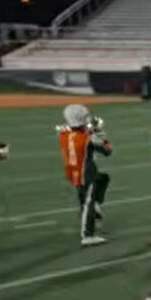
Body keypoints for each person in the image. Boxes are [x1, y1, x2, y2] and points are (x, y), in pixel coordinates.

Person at [57, 104, 112, 247]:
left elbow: (76, 133)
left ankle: (94, 208)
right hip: (86, 174)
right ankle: (87, 234)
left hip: (73, 172)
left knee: (103, 179)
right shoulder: (89, 138)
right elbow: (107, 150)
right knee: (88, 202)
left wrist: (91, 130)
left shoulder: (63, 133)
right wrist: (100, 134)